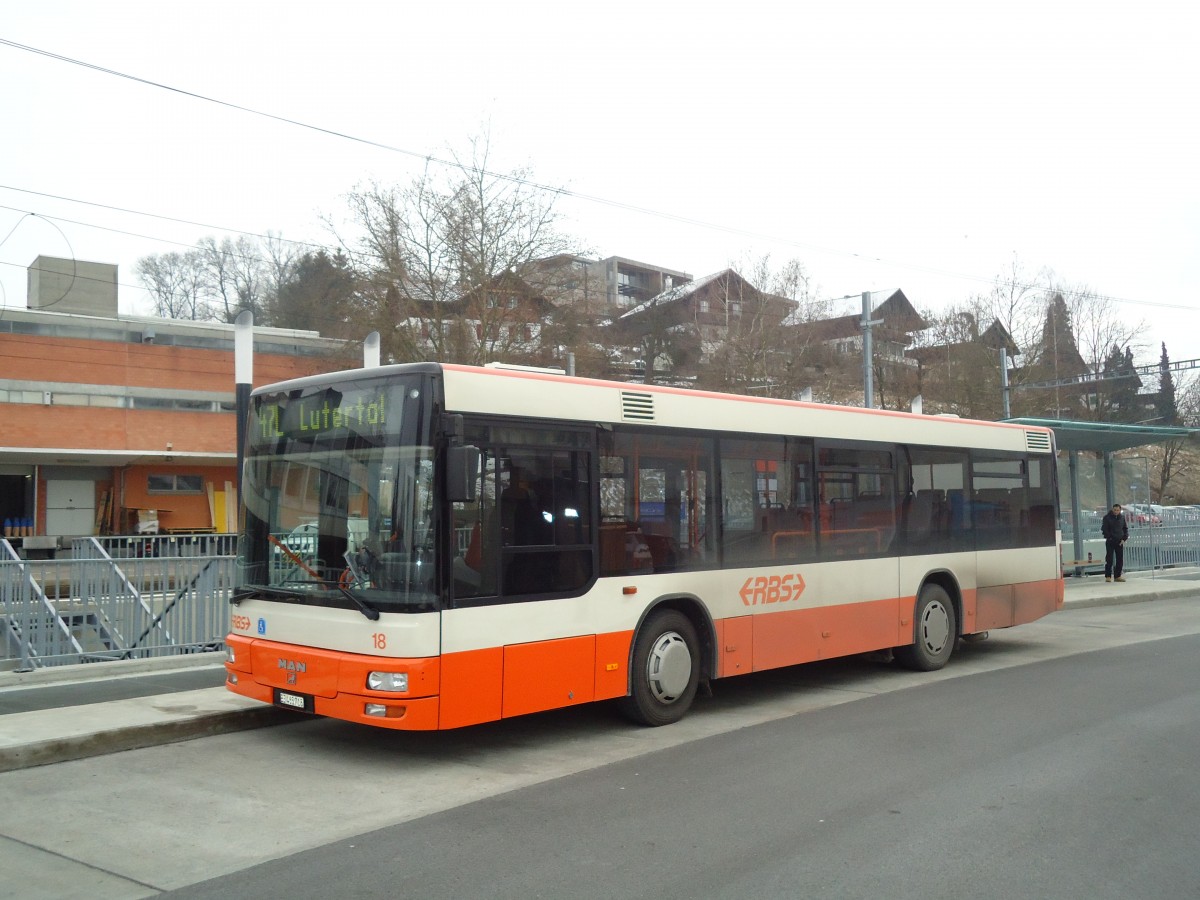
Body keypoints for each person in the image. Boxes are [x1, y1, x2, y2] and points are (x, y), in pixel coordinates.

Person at [1100, 503, 1129, 582]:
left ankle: (1117, 576)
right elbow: (1104, 529)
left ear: (1120, 510)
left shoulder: (1122, 518)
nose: (1116, 511)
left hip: (1120, 541)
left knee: (1120, 559)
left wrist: (1124, 538)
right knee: (1109, 559)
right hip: (1110, 541)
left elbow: (1125, 529)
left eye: (1118, 510)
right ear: (1112, 510)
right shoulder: (1107, 518)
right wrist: (1109, 537)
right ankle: (1108, 576)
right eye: (1115, 510)